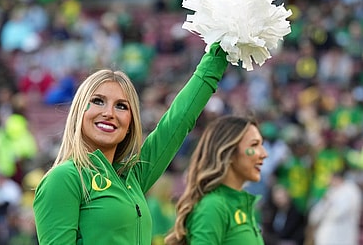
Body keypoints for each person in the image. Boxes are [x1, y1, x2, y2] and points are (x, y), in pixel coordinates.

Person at [33, 41, 229, 244]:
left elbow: (178, 121)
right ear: (79, 111)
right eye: (98, 101)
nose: (108, 113)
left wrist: (221, 50)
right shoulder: (64, 178)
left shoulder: (132, 178)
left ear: (130, 123)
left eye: (121, 106)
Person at [164, 115, 268, 245]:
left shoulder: (241, 205)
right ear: (228, 152)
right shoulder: (213, 207)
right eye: (254, 145)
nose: (264, 154)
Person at [307, 168, 362, 245]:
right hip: (326, 236)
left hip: (343, 235)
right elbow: (314, 216)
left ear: (336, 178)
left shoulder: (350, 190)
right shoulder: (330, 192)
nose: (328, 182)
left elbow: (338, 213)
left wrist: (325, 211)